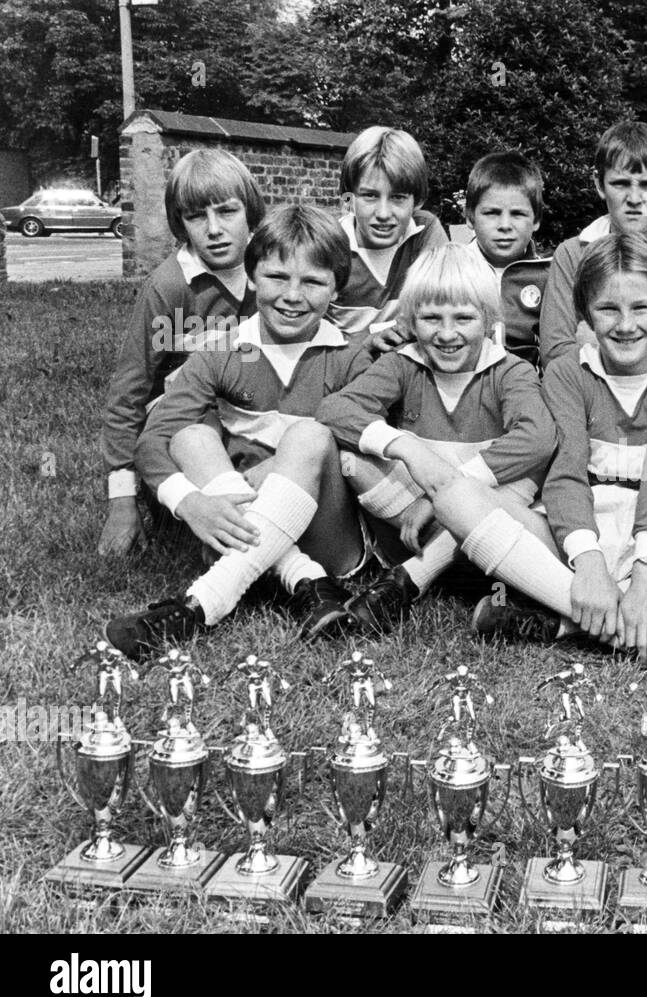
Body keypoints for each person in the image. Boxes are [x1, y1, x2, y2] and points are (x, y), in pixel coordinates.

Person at [424, 233, 647, 683]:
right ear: (586, 315)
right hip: (572, 538)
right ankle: (635, 632)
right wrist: (589, 565)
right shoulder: (566, 371)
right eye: (608, 309)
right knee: (455, 496)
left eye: (641, 308)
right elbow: (566, 474)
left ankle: (567, 620)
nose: (625, 324)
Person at [105, 206, 373, 660]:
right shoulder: (221, 352)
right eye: (276, 277)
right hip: (242, 527)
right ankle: (305, 583)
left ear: (336, 289)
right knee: (189, 437)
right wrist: (189, 503)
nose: (292, 295)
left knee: (310, 437)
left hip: (331, 538)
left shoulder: (353, 357)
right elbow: (153, 439)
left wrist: (274, 470)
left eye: (312, 282)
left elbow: (364, 442)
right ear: (250, 277)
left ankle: (203, 602)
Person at [315, 244, 556, 631]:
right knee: (352, 458)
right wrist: (407, 448)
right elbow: (334, 410)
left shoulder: (511, 371)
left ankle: (415, 578)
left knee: (530, 469)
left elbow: (539, 438)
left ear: (490, 318)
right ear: (410, 319)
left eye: (463, 318)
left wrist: (450, 491)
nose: (447, 334)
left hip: (491, 529)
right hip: (414, 525)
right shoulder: (401, 364)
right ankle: (440, 561)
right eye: (430, 318)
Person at [98, 149, 263, 556]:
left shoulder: (273, 270)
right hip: (184, 424)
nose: (213, 230)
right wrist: (122, 501)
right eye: (195, 217)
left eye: (227, 212)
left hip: (252, 412)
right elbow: (128, 393)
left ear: (251, 213)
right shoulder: (170, 286)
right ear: (180, 223)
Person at [539, 121, 647, 369]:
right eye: (620, 184)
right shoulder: (572, 255)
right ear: (600, 185)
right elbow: (555, 352)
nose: (634, 199)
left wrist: (596, 342)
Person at [330, 125, 450, 340]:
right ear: (348, 199)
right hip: (343, 367)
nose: (383, 213)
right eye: (370, 196)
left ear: (417, 201)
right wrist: (368, 340)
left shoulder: (424, 231)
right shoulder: (329, 243)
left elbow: (442, 306)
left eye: (398, 197)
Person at [460, 151, 552, 367]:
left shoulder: (549, 274)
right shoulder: (453, 269)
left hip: (528, 386)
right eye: (492, 213)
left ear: (536, 220)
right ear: (470, 217)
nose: (504, 225)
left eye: (518, 214)